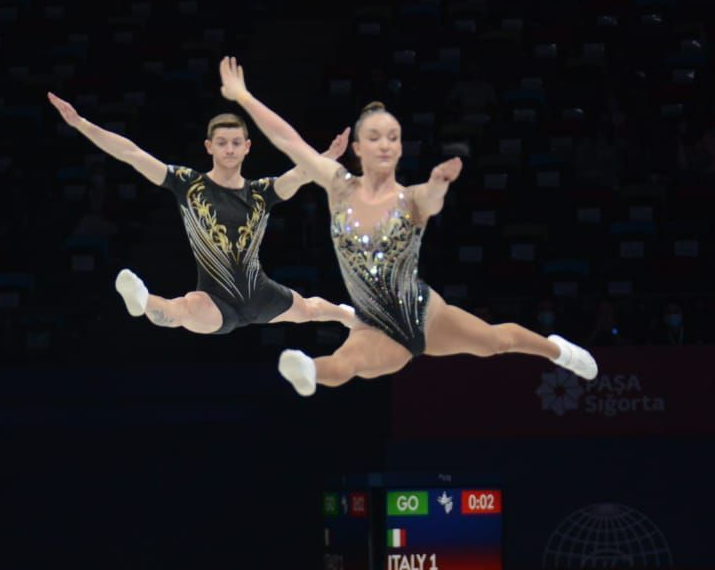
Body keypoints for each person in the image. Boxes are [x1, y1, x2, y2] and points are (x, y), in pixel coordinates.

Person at [215, 57, 598, 395]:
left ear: (399, 148)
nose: (384, 144)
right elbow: (289, 141)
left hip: (423, 311)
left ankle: (558, 350)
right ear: (358, 149)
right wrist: (244, 97)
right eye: (374, 137)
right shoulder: (338, 186)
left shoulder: (410, 198)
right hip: (376, 323)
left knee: (497, 340)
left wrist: (438, 184)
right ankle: (308, 370)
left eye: (392, 137)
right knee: (348, 363)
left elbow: (431, 202)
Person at [47, 92, 356, 334]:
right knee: (181, 311)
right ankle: (142, 299)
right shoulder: (188, 184)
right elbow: (131, 153)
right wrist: (81, 124)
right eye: (222, 143)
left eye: (236, 143)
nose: (230, 149)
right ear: (209, 146)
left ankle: (347, 315)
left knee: (311, 311)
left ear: (247, 147)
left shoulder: (262, 192)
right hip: (214, 300)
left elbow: (301, 174)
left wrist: (327, 156)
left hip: (259, 294)